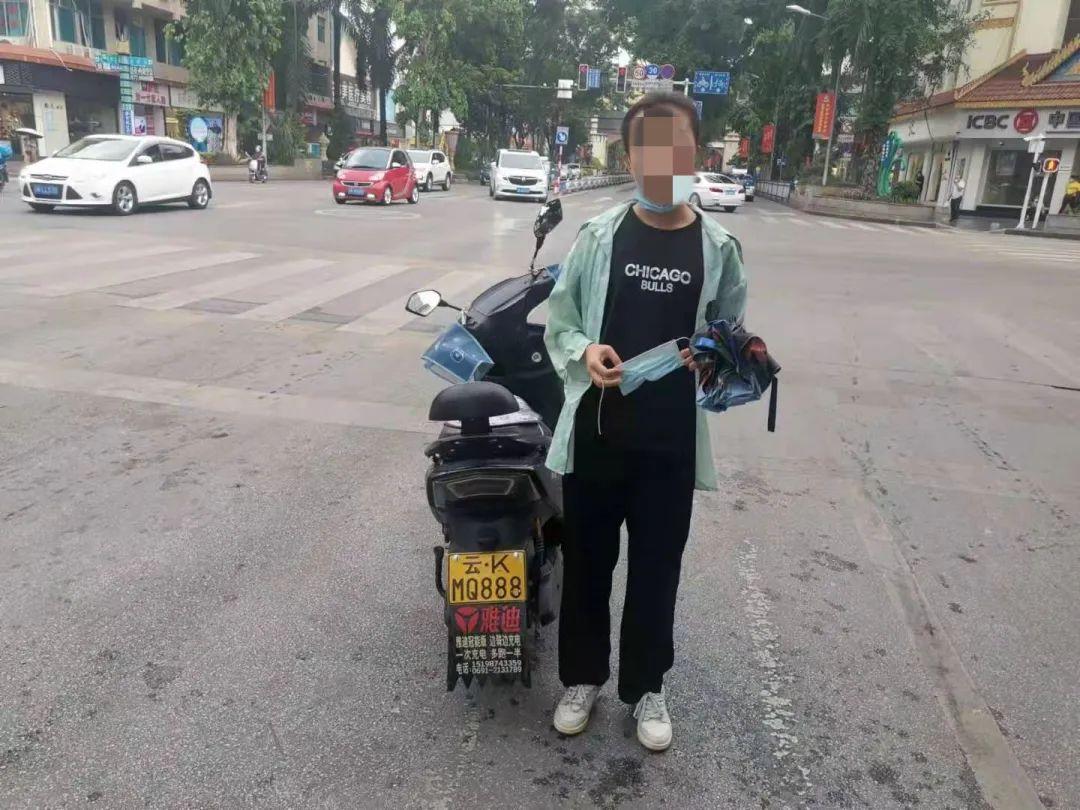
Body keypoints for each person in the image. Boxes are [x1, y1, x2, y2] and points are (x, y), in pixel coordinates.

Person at [543, 92, 748, 752]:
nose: (662, 164)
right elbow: (561, 323)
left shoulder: (718, 248)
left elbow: (729, 331)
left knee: (658, 570)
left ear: (696, 154)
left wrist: (722, 358)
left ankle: (647, 687)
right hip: (598, 435)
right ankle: (582, 679)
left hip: (670, 443)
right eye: (649, 150)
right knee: (588, 565)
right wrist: (585, 352)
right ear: (629, 158)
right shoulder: (599, 237)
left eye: (676, 149)